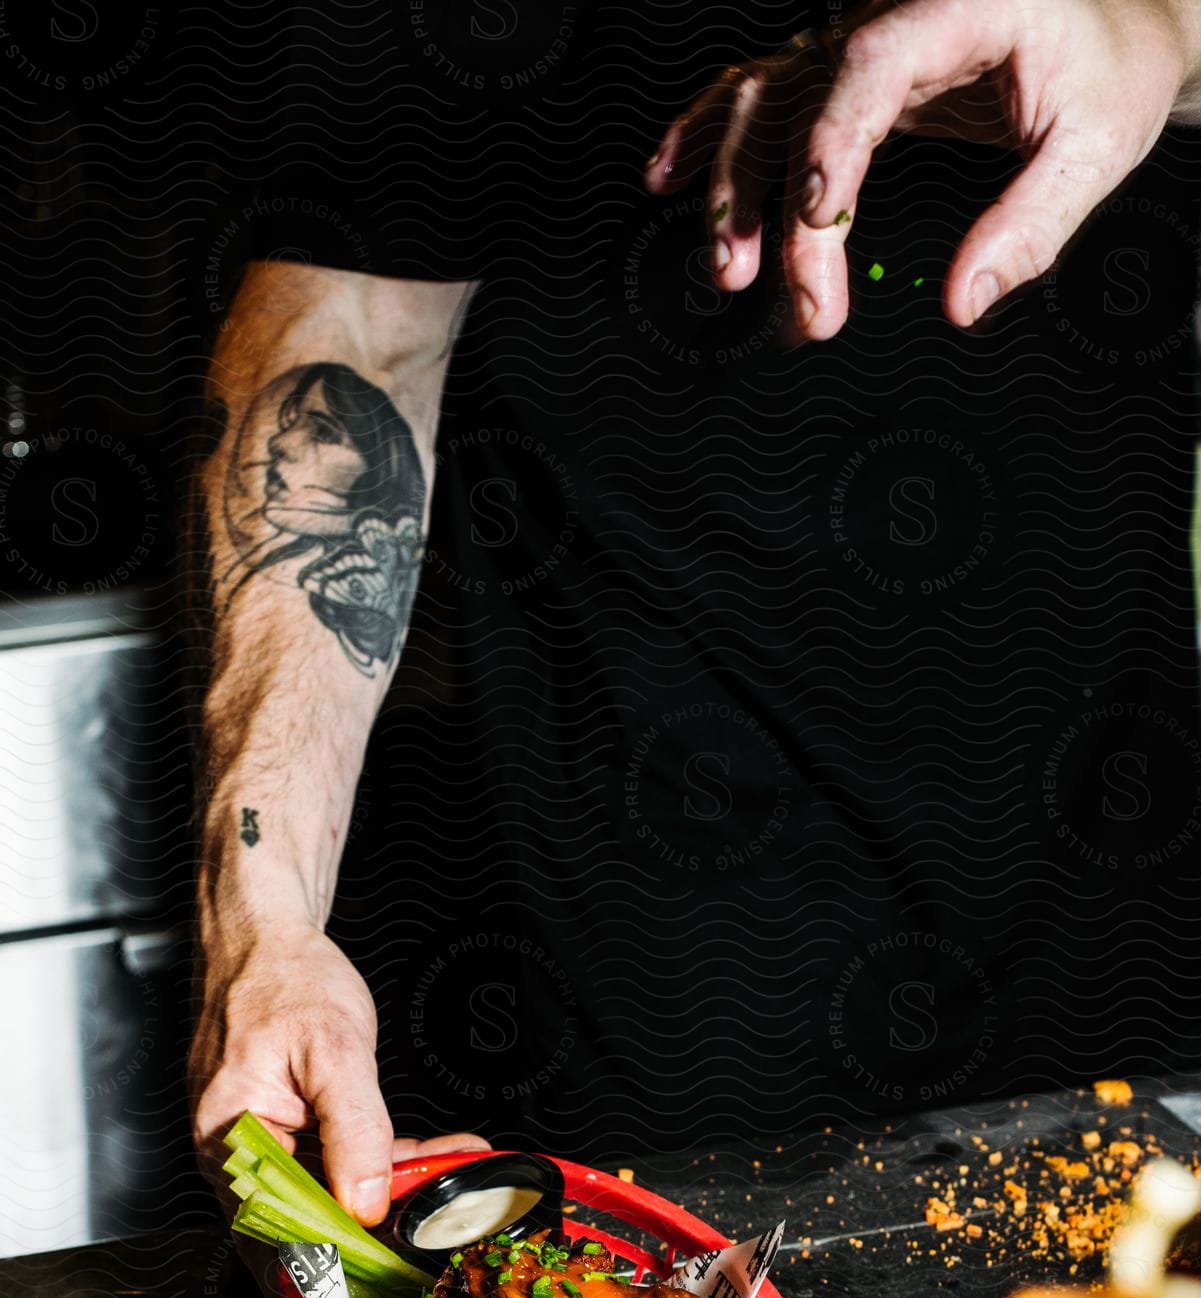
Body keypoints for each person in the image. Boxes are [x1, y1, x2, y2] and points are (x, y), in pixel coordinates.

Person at [190, 0, 1201, 1229]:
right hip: (667, 949)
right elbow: (351, 330)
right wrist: (267, 916)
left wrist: (1162, 35)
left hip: (1117, 903)